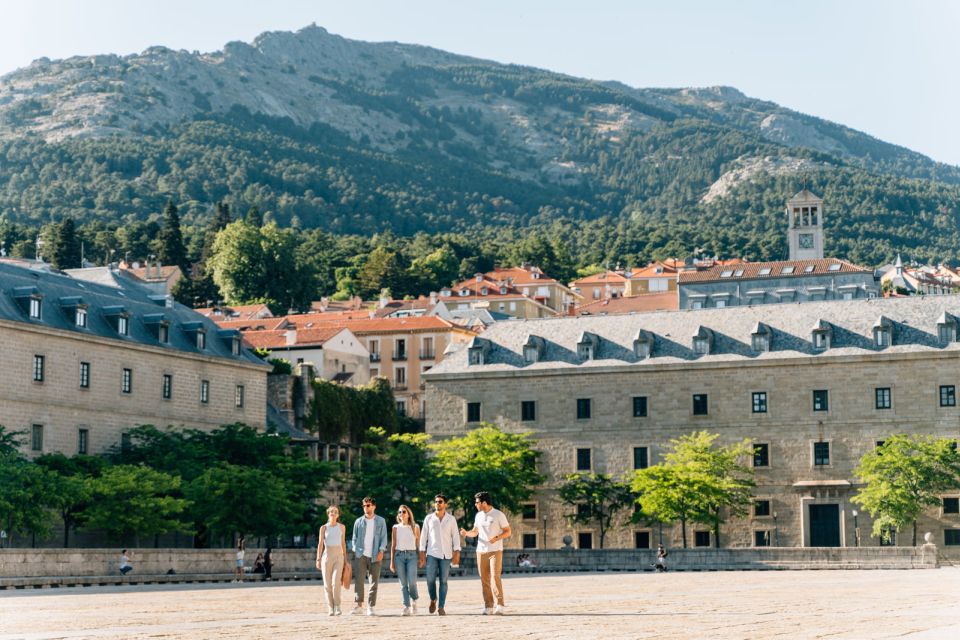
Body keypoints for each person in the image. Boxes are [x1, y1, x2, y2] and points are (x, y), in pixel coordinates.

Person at [461, 491, 511, 615]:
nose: (475, 504)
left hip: (495, 551)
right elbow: (475, 532)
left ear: (484, 503)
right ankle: (488, 606)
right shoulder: (478, 516)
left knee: (495, 577)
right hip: (481, 551)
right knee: (484, 579)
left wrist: (497, 538)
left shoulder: (498, 514)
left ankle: (499, 605)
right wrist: (467, 533)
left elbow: (508, 531)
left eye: (477, 502)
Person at [419, 493, 460, 616]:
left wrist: (457, 552)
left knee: (444, 581)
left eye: (440, 501)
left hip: (446, 555)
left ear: (445, 504)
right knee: (430, 580)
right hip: (432, 553)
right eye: (436, 501)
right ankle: (433, 599)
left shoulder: (451, 519)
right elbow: (423, 537)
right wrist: (422, 552)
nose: (437, 503)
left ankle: (441, 607)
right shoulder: (429, 518)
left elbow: (456, 537)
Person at [350, 497, 387, 616]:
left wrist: (381, 551)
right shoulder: (358, 521)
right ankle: (359, 606)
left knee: (374, 582)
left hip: (375, 555)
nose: (366, 508)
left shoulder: (381, 521)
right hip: (361, 555)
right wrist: (355, 549)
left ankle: (370, 606)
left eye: (368, 505)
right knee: (359, 581)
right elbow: (354, 538)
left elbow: (384, 538)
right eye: (364, 506)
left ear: (374, 506)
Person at [390, 504, 421, 616]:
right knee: (403, 583)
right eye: (399, 512)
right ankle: (406, 606)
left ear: (408, 514)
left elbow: (419, 544)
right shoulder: (395, 528)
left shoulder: (415, 527)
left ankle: (414, 600)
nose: (401, 514)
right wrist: (392, 562)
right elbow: (393, 546)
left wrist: (422, 557)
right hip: (399, 556)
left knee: (412, 582)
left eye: (403, 512)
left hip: (412, 556)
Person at [316, 505, 347, 616]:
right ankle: (330, 607)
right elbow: (320, 544)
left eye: (336, 512)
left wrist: (345, 560)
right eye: (331, 512)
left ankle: (337, 606)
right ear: (328, 514)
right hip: (326, 556)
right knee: (327, 584)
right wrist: (318, 559)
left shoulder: (342, 527)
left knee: (336, 582)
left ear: (338, 515)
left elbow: (343, 543)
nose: (333, 513)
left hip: (339, 556)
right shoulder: (324, 527)